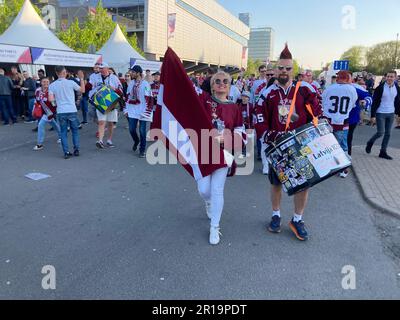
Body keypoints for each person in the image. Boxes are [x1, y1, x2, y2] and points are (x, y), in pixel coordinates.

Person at [257, 44, 321, 241]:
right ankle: (276, 215)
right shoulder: (266, 92)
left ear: (294, 70)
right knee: (276, 183)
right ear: (275, 69)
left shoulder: (305, 89)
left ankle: (297, 219)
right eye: (281, 68)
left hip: (301, 146)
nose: (284, 71)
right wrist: (269, 135)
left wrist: (314, 133)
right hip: (277, 146)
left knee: (303, 184)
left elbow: (317, 114)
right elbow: (259, 118)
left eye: (288, 68)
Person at [197, 71, 245, 245]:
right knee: (204, 189)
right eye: (218, 81)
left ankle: (214, 226)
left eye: (225, 81)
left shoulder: (234, 107)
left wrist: (229, 139)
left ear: (230, 85)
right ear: (212, 84)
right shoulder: (203, 100)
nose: (222, 83)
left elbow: (240, 130)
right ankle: (208, 202)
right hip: (202, 149)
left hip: (223, 153)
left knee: (217, 189)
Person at [322, 71, 358, 178]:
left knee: (328, 145)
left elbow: (323, 103)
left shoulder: (329, 88)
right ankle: (343, 169)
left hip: (329, 121)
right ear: (347, 78)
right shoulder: (352, 89)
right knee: (343, 145)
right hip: (342, 121)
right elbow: (352, 105)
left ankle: (329, 166)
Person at [48, 65, 85, 159]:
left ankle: (66, 152)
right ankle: (76, 150)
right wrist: (81, 79)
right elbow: (82, 90)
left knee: (63, 132)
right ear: (64, 73)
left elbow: (51, 99)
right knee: (75, 131)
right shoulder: (71, 82)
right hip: (72, 109)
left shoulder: (52, 85)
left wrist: (58, 102)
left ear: (56, 73)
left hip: (61, 111)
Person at [366, 70, 400, 160]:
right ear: (385, 77)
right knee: (381, 132)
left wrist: (398, 113)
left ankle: (383, 152)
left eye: (391, 76)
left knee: (388, 133)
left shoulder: (396, 87)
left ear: (395, 78)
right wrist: (372, 116)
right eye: (388, 76)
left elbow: (398, 100)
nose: (389, 78)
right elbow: (374, 102)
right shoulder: (380, 88)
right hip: (380, 112)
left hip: (391, 113)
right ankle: (370, 142)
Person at [89, 63, 123, 148]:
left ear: (107, 68)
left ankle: (109, 140)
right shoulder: (95, 77)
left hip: (112, 103)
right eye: (99, 68)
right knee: (101, 122)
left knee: (111, 123)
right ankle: (100, 141)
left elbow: (121, 90)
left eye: (102, 68)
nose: (100, 70)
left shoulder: (114, 78)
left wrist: (114, 89)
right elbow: (90, 88)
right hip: (100, 102)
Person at [124, 65, 153, 158]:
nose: (131, 73)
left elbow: (149, 98)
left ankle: (142, 150)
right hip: (132, 110)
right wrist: (126, 109)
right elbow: (128, 97)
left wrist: (147, 111)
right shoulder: (131, 84)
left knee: (142, 131)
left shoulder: (145, 84)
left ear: (138, 73)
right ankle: (136, 141)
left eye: (133, 72)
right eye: (131, 72)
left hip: (143, 110)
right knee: (132, 129)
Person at [33, 77, 61, 151]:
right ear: (41, 82)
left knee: (40, 125)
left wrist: (53, 111)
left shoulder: (52, 91)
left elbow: (55, 103)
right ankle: (62, 136)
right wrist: (34, 110)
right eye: (44, 81)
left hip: (50, 111)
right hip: (42, 111)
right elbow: (36, 101)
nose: (46, 83)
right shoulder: (38, 91)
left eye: (47, 82)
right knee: (54, 124)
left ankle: (39, 144)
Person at [238, 91, 254, 158]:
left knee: (249, 139)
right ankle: (241, 151)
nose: (244, 98)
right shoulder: (238, 105)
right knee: (241, 139)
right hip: (241, 125)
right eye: (243, 96)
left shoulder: (251, 106)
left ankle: (248, 152)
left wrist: (252, 125)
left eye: (246, 97)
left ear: (249, 98)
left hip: (249, 125)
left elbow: (253, 116)